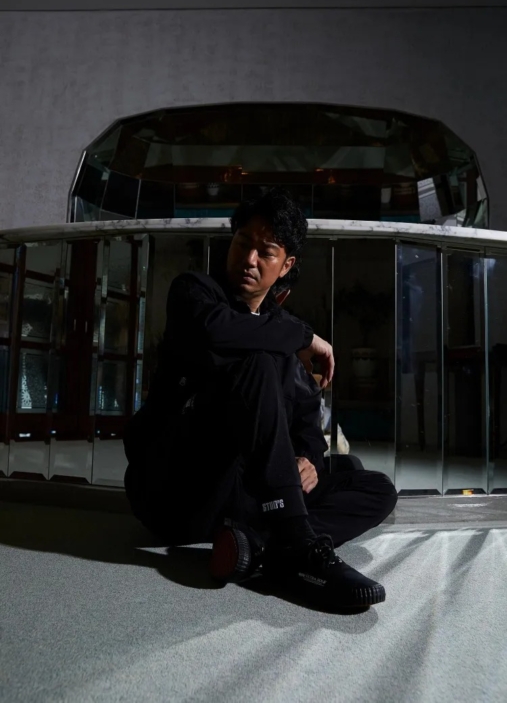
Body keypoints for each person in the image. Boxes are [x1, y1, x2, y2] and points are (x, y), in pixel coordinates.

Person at [123, 189, 398, 610]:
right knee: (255, 363)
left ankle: (261, 547)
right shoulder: (195, 293)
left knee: (372, 485)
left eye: (265, 252)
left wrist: (308, 459)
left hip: (239, 502)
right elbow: (218, 332)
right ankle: (297, 543)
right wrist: (304, 336)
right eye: (242, 243)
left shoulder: (282, 333)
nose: (249, 259)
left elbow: (307, 426)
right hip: (177, 491)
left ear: (285, 265)